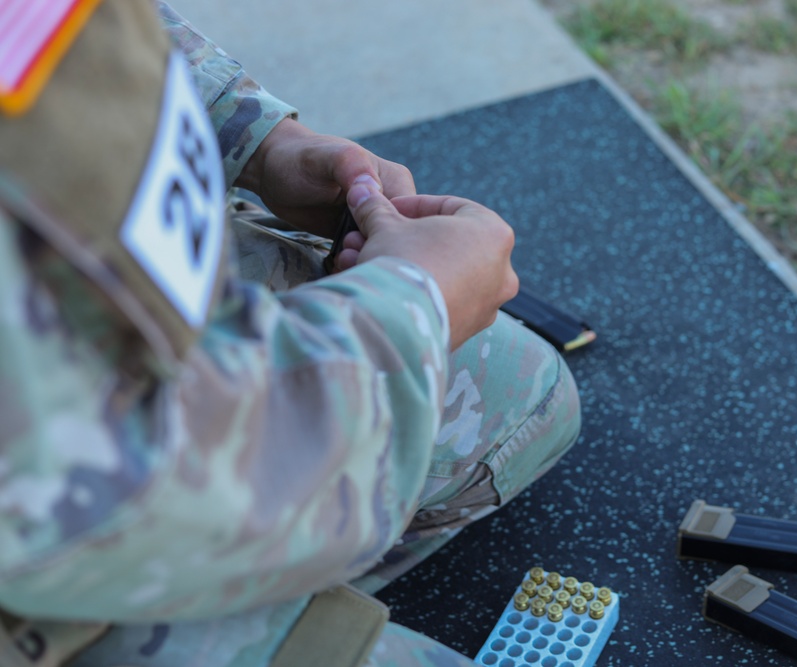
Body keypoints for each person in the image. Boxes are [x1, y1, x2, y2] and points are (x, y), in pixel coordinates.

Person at [0, 1, 580, 665]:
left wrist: (258, 137)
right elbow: (110, 476)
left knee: (526, 397)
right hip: (82, 499)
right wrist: (412, 310)